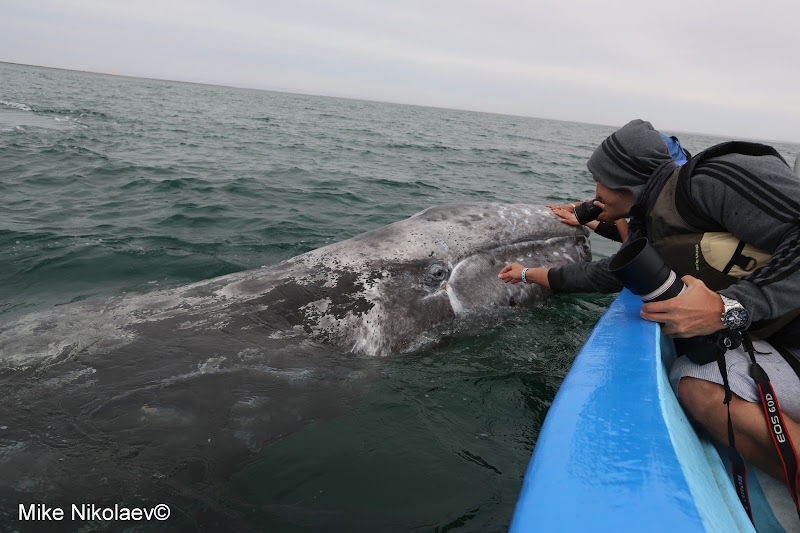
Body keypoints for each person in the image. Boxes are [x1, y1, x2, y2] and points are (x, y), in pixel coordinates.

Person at [499, 119, 800, 508]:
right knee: (691, 382)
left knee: (697, 383)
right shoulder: (651, 221)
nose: (595, 192)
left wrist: (731, 307)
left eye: (599, 181)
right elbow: (611, 272)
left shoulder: (713, 180)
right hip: (782, 336)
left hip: (786, 333)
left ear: (627, 180)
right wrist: (531, 274)